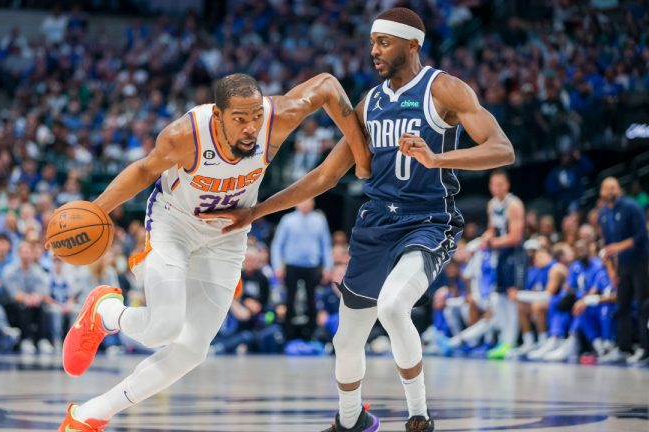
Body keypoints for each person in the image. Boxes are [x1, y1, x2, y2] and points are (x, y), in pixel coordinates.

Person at [206, 7, 514, 432]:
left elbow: (502, 149)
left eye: (383, 42)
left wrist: (437, 158)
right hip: (375, 226)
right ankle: (351, 420)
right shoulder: (371, 103)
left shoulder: (443, 88)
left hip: (426, 221)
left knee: (393, 305)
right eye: (372, 43)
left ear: (412, 44)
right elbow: (326, 175)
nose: (374, 51)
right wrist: (255, 212)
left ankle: (419, 416)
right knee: (346, 339)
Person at [56, 71, 369, 432]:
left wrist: (360, 154)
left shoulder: (277, 119)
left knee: (192, 349)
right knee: (163, 328)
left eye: (256, 116)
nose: (251, 128)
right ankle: (105, 312)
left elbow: (327, 85)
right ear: (217, 115)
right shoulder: (185, 135)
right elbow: (142, 171)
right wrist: (95, 210)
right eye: (240, 119)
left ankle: (90, 415)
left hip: (227, 235)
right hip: (174, 225)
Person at [597, 177, 649, 365]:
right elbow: (607, 245)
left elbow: (642, 235)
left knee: (643, 305)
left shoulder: (631, 207)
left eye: (613, 187)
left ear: (619, 189)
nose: (610, 191)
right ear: (601, 191)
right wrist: (611, 269)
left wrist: (619, 247)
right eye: (607, 188)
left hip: (640, 261)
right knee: (622, 305)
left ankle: (645, 349)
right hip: (623, 265)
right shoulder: (603, 213)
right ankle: (623, 348)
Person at [270, 198, 332, 341]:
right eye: (302, 201)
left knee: (312, 301)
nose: (305, 204)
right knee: (289, 301)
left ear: (313, 203)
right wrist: (277, 266)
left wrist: (328, 267)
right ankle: (288, 335)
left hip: (312, 266)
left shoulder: (319, 220)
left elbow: (326, 244)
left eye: (308, 201)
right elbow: (277, 244)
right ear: (297, 203)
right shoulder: (287, 220)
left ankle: (312, 335)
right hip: (292, 265)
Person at [480, 170, 526, 360]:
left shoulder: (514, 204)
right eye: (494, 184)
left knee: (512, 297)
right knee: (498, 297)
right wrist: (484, 239)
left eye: (500, 184)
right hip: (499, 254)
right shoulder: (492, 205)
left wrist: (493, 243)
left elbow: (516, 237)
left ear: (507, 185)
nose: (497, 188)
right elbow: (492, 230)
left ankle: (511, 342)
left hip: (514, 255)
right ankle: (504, 339)